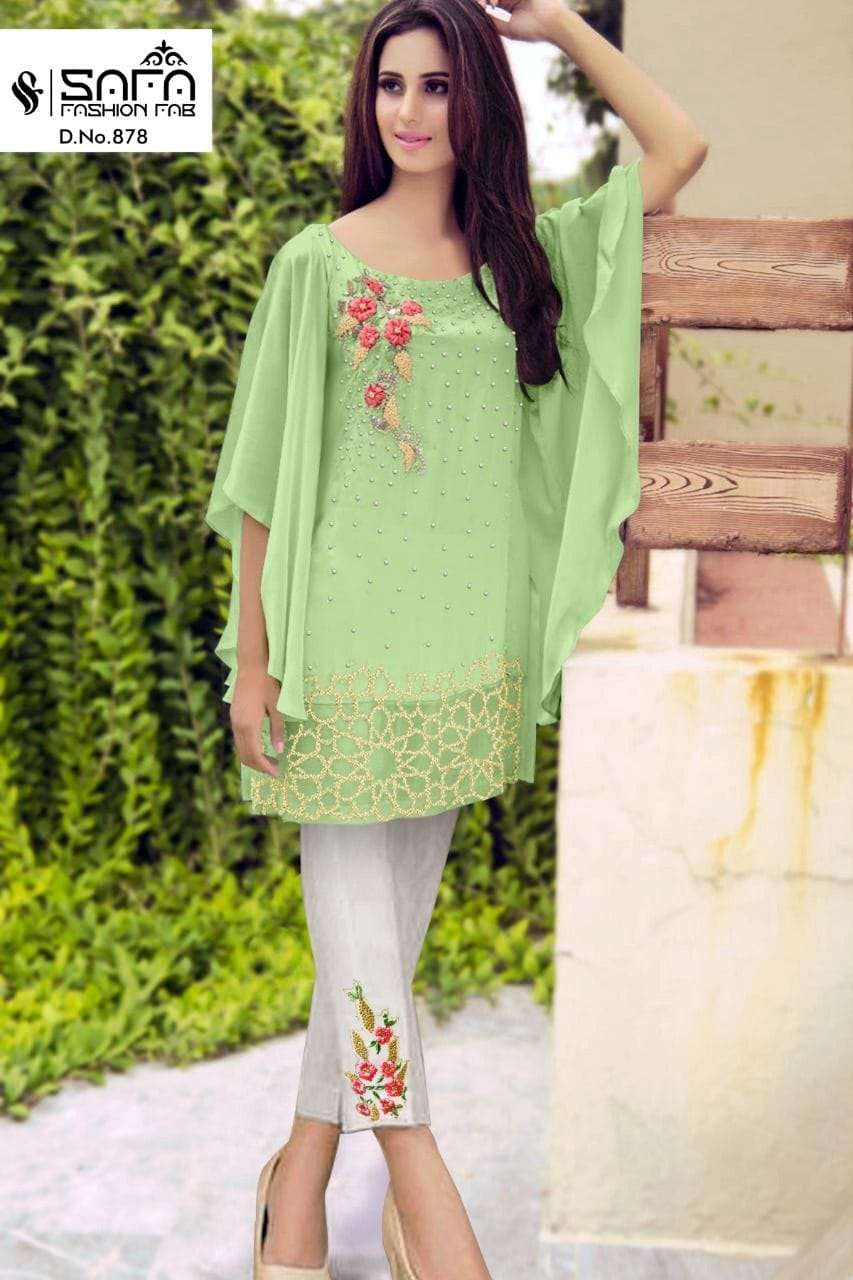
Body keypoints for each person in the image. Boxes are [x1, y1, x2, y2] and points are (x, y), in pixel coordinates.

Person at [203, 0, 707, 1272]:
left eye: (437, 85)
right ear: (365, 102)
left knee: (372, 942)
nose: (411, 111)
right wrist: (253, 662)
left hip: (458, 654)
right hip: (331, 654)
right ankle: (424, 1192)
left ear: (478, 97)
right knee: (364, 937)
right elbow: (261, 477)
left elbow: (679, 147)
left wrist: (562, 29)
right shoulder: (316, 264)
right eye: (391, 85)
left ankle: (297, 1176)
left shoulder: (523, 265)